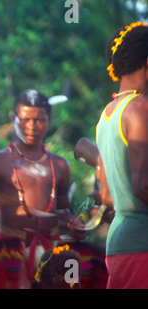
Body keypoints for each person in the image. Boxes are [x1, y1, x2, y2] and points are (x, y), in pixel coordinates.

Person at [0, 89, 84, 287]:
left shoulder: (60, 165)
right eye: (26, 119)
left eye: (40, 120)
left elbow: (62, 211)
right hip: (10, 251)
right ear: (13, 118)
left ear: (49, 120)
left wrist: (73, 224)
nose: (32, 126)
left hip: (51, 250)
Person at [97, 21, 148, 289]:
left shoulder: (107, 114)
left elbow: (106, 196)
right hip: (142, 244)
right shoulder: (139, 108)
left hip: (118, 244)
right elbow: (142, 186)